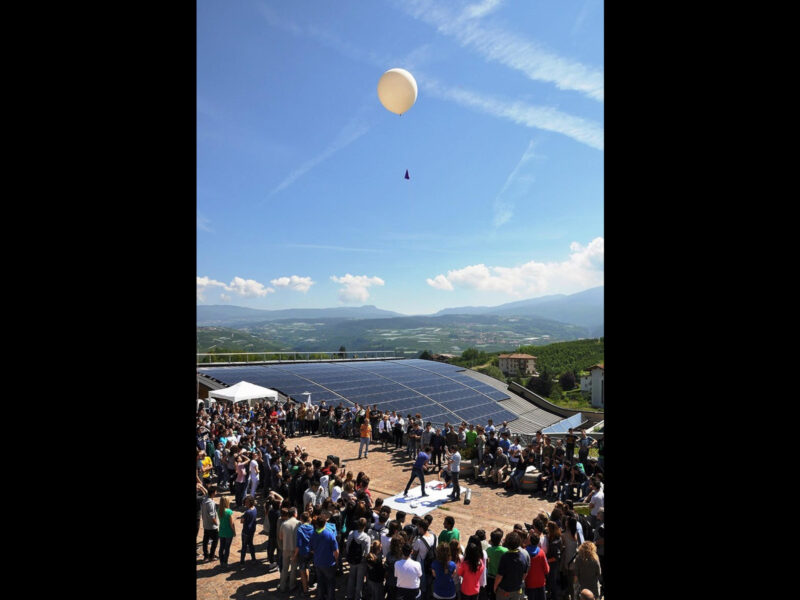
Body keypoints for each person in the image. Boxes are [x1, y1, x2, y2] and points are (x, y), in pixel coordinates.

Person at [311, 514, 340, 600]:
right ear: (325, 523)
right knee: (330, 583)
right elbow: (336, 551)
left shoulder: (313, 534)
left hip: (318, 563)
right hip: (329, 563)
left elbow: (311, 549)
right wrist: (337, 560)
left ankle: (320, 597)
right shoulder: (330, 535)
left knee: (320, 582)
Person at [493, 532, 529, 600]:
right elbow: (525, 574)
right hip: (517, 590)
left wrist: (495, 587)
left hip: (504, 590)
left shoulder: (505, 557)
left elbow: (499, 576)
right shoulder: (523, 557)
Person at [345, 517, 372, 600]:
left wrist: (349, 555)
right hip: (361, 561)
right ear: (365, 526)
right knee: (359, 581)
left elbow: (347, 546)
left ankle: (349, 596)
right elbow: (367, 552)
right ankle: (358, 597)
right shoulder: (367, 538)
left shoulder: (351, 533)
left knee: (351, 577)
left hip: (352, 559)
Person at [278, 507, 300, 592]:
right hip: (295, 549)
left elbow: (280, 537)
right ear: (295, 514)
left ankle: (282, 586)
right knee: (293, 569)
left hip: (286, 548)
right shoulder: (299, 523)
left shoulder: (284, 524)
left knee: (285, 568)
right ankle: (292, 585)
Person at [293, 512, 314, 595]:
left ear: (301, 519)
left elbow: (299, 545)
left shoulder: (300, 529)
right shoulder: (312, 527)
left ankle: (305, 590)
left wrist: (295, 555)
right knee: (307, 568)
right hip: (310, 552)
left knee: (302, 571)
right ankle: (307, 585)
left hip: (303, 552)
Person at [523, 532, 549, 600]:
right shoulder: (541, 553)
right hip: (540, 583)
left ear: (530, 541)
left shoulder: (525, 552)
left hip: (529, 584)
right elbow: (547, 570)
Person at [485, 529, 507, 600]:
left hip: (490, 578)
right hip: (501, 578)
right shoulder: (505, 550)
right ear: (500, 540)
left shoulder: (488, 550)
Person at [200, 484, 219, 562]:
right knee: (215, 541)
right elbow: (212, 516)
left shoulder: (204, 500)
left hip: (206, 525)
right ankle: (211, 556)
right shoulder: (210, 503)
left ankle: (206, 556)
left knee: (205, 541)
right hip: (212, 526)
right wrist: (217, 524)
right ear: (213, 493)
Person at [238, 494, 258, 563]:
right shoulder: (255, 509)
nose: (246, 503)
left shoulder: (247, 512)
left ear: (250, 502)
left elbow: (242, 521)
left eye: (247, 502)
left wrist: (243, 516)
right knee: (251, 545)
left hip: (246, 531)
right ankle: (253, 559)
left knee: (244, 546)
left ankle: (242, 561)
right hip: (252, 530)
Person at [217, 495, 236, 567]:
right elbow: (232, 524)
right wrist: (234, 532)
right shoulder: (229, 511)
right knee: (227, 548)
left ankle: (221, 562)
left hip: (221, 532)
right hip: (228, 533)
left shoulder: (219, 510)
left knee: (221, 547)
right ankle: (225, 562)